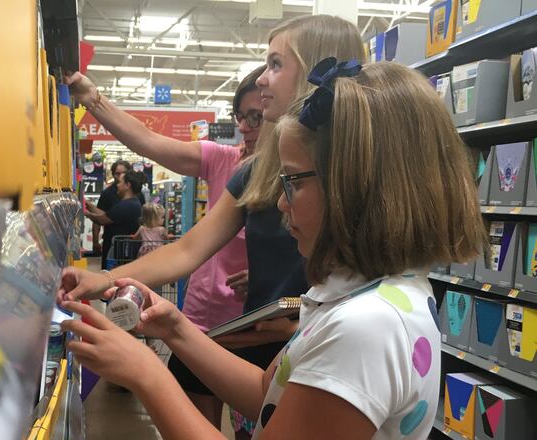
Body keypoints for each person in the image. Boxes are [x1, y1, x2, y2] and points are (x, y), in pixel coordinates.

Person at [61, 60, 488, 440]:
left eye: (293, 182)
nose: (282, 203)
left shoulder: (365, 329)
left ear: (356, 186)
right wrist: (175, 329)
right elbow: (269, 393)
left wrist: (147, 375)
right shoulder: (359, 296)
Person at [60, 14, 367, 438]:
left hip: (309, 341)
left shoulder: (353, 180)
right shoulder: (252, 172)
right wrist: (108, 280)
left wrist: (148, 372)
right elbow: (188, 249)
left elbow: (360, 281)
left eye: (276, 64)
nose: (262, 79)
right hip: (258, 343)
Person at [65, 65, 267, 427]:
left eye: (257, 116)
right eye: (241, 117)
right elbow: (150, 142)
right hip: (199, 323)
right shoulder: (233, 165)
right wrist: (93, 98)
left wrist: (272, 279)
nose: (246, 128)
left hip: (255, 329)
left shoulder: (298, 178)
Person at [85, 170, 146, 269]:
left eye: (120, 182)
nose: (117, 185)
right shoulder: (131, 203)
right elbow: (108, 216)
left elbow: (102, 220)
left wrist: (85, 213)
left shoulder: (127, 205)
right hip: (122, 251)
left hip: (122, 253)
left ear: (127, 185)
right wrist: (89, 206)